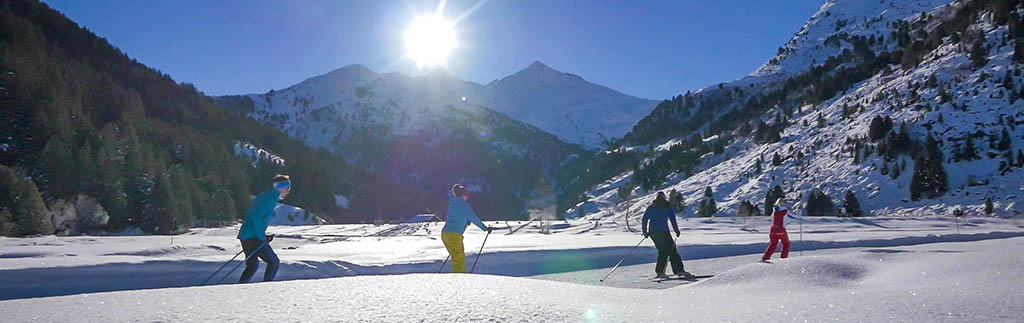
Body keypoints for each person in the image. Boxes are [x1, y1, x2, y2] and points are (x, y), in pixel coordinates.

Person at [237, 174, 290, 283]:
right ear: (282, 187)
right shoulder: (270, 199)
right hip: (254, 237)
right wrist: (262, 236)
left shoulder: (266, 196)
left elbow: (254, 215)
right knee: (273, 262)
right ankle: (266, 288)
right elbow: (256, 216)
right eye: (288, 188)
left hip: (245, 235)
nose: (288, 191)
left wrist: (262, 235)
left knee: (252, 265)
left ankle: (240, 287)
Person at [441, 184, 492, 273]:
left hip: (445, 234)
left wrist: (464, 222)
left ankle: (457, 276)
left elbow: (455, 217)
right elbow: (474, 218)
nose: (467, 197)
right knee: (459, 259)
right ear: (463, 195)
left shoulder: (452, 204)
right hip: (454, 235)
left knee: (456, 257)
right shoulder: (465, 206)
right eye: (466, 195)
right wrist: (485, 228)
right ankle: (460, 280)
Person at [642, 191, 688, 278]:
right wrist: (676, 231)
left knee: (662, 251)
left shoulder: (651, 207)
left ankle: (660, 272)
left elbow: (644, 219)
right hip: (664, 231)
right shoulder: (667, 207)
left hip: (653, 232)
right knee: (672, 250)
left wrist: (645, 231)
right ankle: (679, 270)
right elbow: (673, 220)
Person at [762, 197, 791, 262]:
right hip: (781, 229)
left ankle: (765, 258)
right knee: (786, 244)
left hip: (772, 229)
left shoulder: (775, 210)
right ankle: (783, 259)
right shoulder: (785, 211)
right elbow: (786, 220)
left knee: (773, 244)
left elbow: (772, 219)